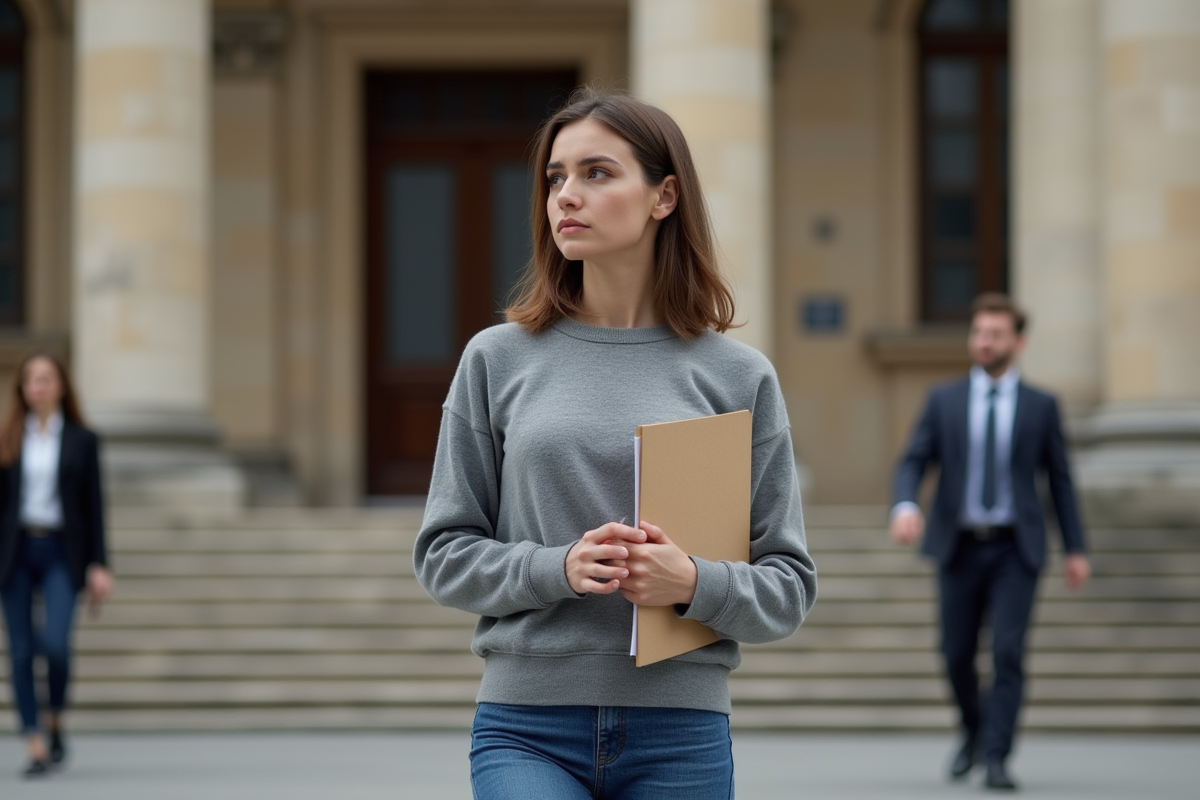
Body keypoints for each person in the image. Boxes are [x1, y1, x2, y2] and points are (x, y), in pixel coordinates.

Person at [413, 88, 816, 799]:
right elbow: (443, 555)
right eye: (556, 177)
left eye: (596, 173)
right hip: (525, 725)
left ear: (664, 197)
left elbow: (787, 588)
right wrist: (557, 567)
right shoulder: (497, 358)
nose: (566, 195)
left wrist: (692, 583)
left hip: (681, 731)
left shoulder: (738, 376)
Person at [889, 293, 1090, 791]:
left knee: (1007, 652)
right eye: (979, 332)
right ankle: (973, 733)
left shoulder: (1042, 406)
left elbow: (1060, 481)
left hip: (1015, 549)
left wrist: (1076, 548)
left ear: (1017, 342)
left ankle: (997, 757)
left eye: (995, 334)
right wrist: (906, 504)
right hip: (958, 546)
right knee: (955, 652)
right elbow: (913, 459)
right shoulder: (944, 399)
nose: (984, 342)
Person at [0, 352, 112, 777]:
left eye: (45, 379)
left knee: (56, 646)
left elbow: (94, 507)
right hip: (16, 553)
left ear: (61, 386)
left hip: (62, 552)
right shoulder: (8, 438)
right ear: (22, 389)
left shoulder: (83, 440)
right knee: (22, 652)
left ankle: (55, 716)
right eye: (30, 380)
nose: (37, 387)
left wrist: (100, 564)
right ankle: (34, 743)